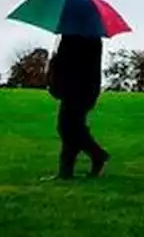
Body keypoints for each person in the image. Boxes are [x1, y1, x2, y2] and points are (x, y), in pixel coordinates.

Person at [44, 33, 110, 180]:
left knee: (68, 127)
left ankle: (97, 155)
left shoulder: (81, 37)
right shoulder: (84, 35)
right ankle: (66, 172)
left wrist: (56, 67)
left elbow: (72, 63)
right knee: (72, 127)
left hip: (79, 89)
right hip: (81, 88)